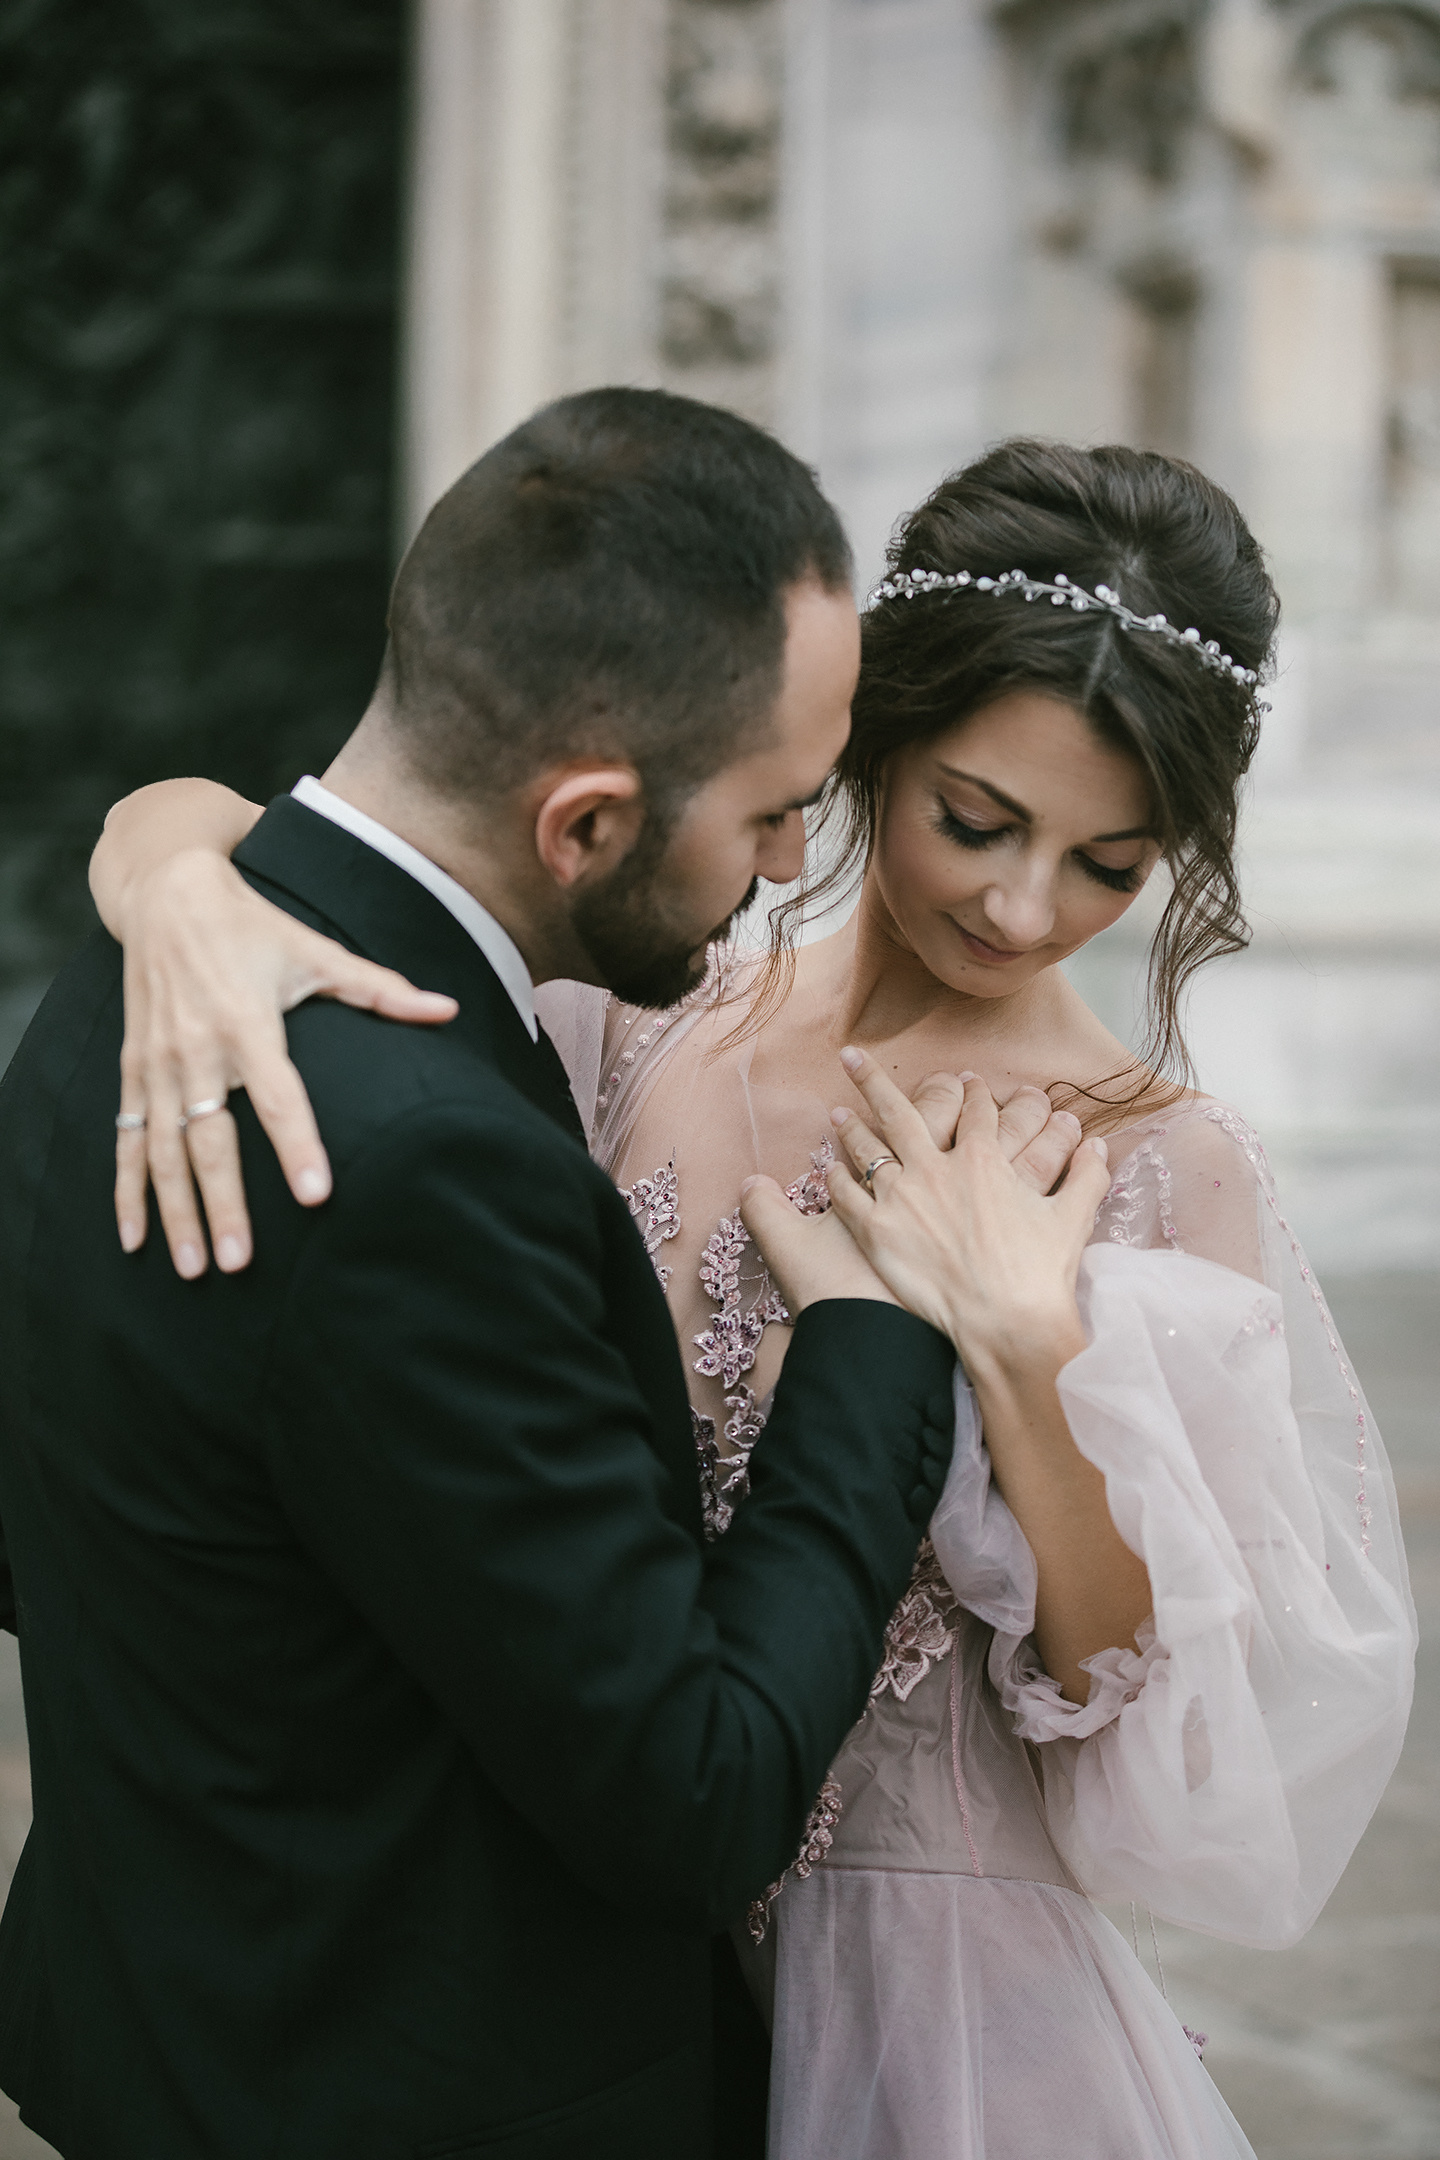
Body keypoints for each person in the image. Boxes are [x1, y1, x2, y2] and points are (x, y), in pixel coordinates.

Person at [87, 440, 1415, 2159]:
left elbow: (1145, 1722)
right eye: (976, 821)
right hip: (556, 1949)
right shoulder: (631, 1016)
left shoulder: (1164, 1166)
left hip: (934, 2010)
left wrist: (1025, 1354)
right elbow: (309, 831)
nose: (1024, 908)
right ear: (873, 739)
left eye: (1110, 864)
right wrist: (168, 874)